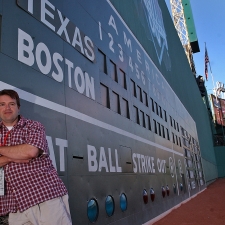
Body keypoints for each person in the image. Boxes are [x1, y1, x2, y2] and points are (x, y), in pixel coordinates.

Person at [0, 89, 72, 225]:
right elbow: (23, 153)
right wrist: (12, 157)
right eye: (2, 104)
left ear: (18, 108)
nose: (7, 108)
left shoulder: (33, 126)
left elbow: (30, 151)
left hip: (43, 197)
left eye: (12, 104)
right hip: (14, 206)